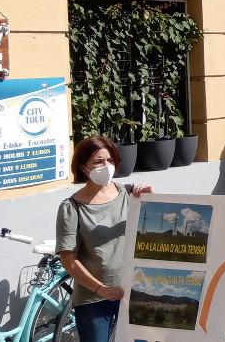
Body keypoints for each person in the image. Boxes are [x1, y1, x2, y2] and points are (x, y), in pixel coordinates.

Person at [57, 137, 153, 342]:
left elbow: (154, 230)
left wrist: (151, 200)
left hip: (135, 292)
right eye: (98, 162)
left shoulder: (129, 194)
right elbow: (68, 259)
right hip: (93, 299)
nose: (106, 166)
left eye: (110, 160)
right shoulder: (72, 207)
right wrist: (101, 289)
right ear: (84, 167)